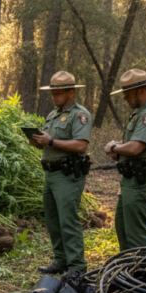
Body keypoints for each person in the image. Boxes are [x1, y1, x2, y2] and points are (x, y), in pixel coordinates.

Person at [29, 71, 92, 275]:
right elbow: (49, 143)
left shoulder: (80, 115)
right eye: (52, 93)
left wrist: (51, 141)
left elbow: (81, 145)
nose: (53, 97)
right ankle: (61, 260)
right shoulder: (53, 114)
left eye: (57, 93)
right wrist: (38, 141)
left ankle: (76, 265)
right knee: (53, 219)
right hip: (51, 173)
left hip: (68, 175)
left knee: (67, 220)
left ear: (71, 92)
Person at [103, 69, 146, 251]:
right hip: (132, 181)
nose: (124, 98)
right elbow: (137, 147)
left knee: (137, 237)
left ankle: (143, 268)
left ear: (140, 91)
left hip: (141, 182)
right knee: (123, 230)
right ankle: (129, 266)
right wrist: (120, 152)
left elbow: (135, 148)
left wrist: (114, 147)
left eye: (127, 93)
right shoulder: (142, 112)